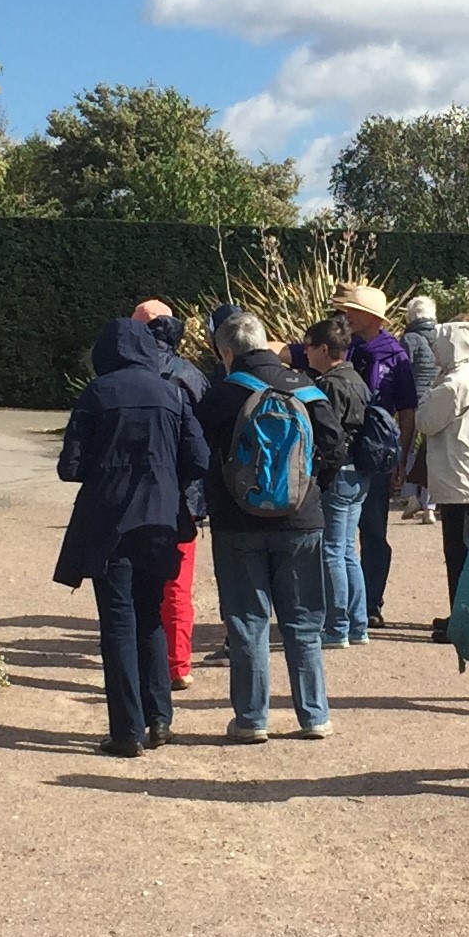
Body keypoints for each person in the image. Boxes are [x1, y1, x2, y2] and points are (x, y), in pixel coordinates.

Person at [55, 315, 211, 758]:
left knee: (118, 622)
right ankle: (159, 719)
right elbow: (199, 459)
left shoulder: (98, 393)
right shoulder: (171, 392)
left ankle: (126, 731)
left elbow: (70, 467)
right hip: (160, 519)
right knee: (151, 615)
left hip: (108, 520)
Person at [200, 310, 343, 742]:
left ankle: (251, 719)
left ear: (227, 352)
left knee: (247, 621)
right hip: (301, 520)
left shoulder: (223, 394)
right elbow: (335, 447)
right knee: (303, 621)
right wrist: (309, 489)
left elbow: (196, 450)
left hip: (237, 522)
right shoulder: (307, 389)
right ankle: (314, 715)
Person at [134, 298, 209, 689]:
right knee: (178, 583)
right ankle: (178, 664)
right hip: (185, 494)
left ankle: (141, 664)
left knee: (135, 583)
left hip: (139, 491)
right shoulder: (193, 375)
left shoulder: (130, 374)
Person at [328, 283, 412, 628]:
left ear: (371, 317)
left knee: (373, 530)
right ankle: (340, 605)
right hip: (339, 449)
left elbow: (407, 410)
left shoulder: (396, 356)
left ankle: (371, 603)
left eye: (352, 310)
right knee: (336, 532)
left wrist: (401, 458)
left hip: (376, 451)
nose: (345, 315)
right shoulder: (339, 346)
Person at [414, 319, 469, 637]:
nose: (434, 350)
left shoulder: (453, 385)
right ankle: (463, 617)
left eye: (438, 344)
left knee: (458, 555)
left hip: (457, 479)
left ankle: (462, 623)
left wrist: (426, 395)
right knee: (468, 553)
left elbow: (425, 421)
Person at [298, 314, 376, 646]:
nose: (305, 351)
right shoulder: (357, 378)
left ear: (324, 349)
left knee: (331, 550)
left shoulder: (329, 384)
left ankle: (337, 626)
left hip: (339, 472)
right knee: (346, 550)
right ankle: (357, 625)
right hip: (359, 472)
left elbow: (326, 433)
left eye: (309, 346)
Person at [396, 295, 440, 518]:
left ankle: (411, 496)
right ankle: (430, 505)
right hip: (437, 396)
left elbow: (402, 370)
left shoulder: (410, 338)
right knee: (432, 448)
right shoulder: (441, 334)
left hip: (413, 399)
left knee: (409, 446)